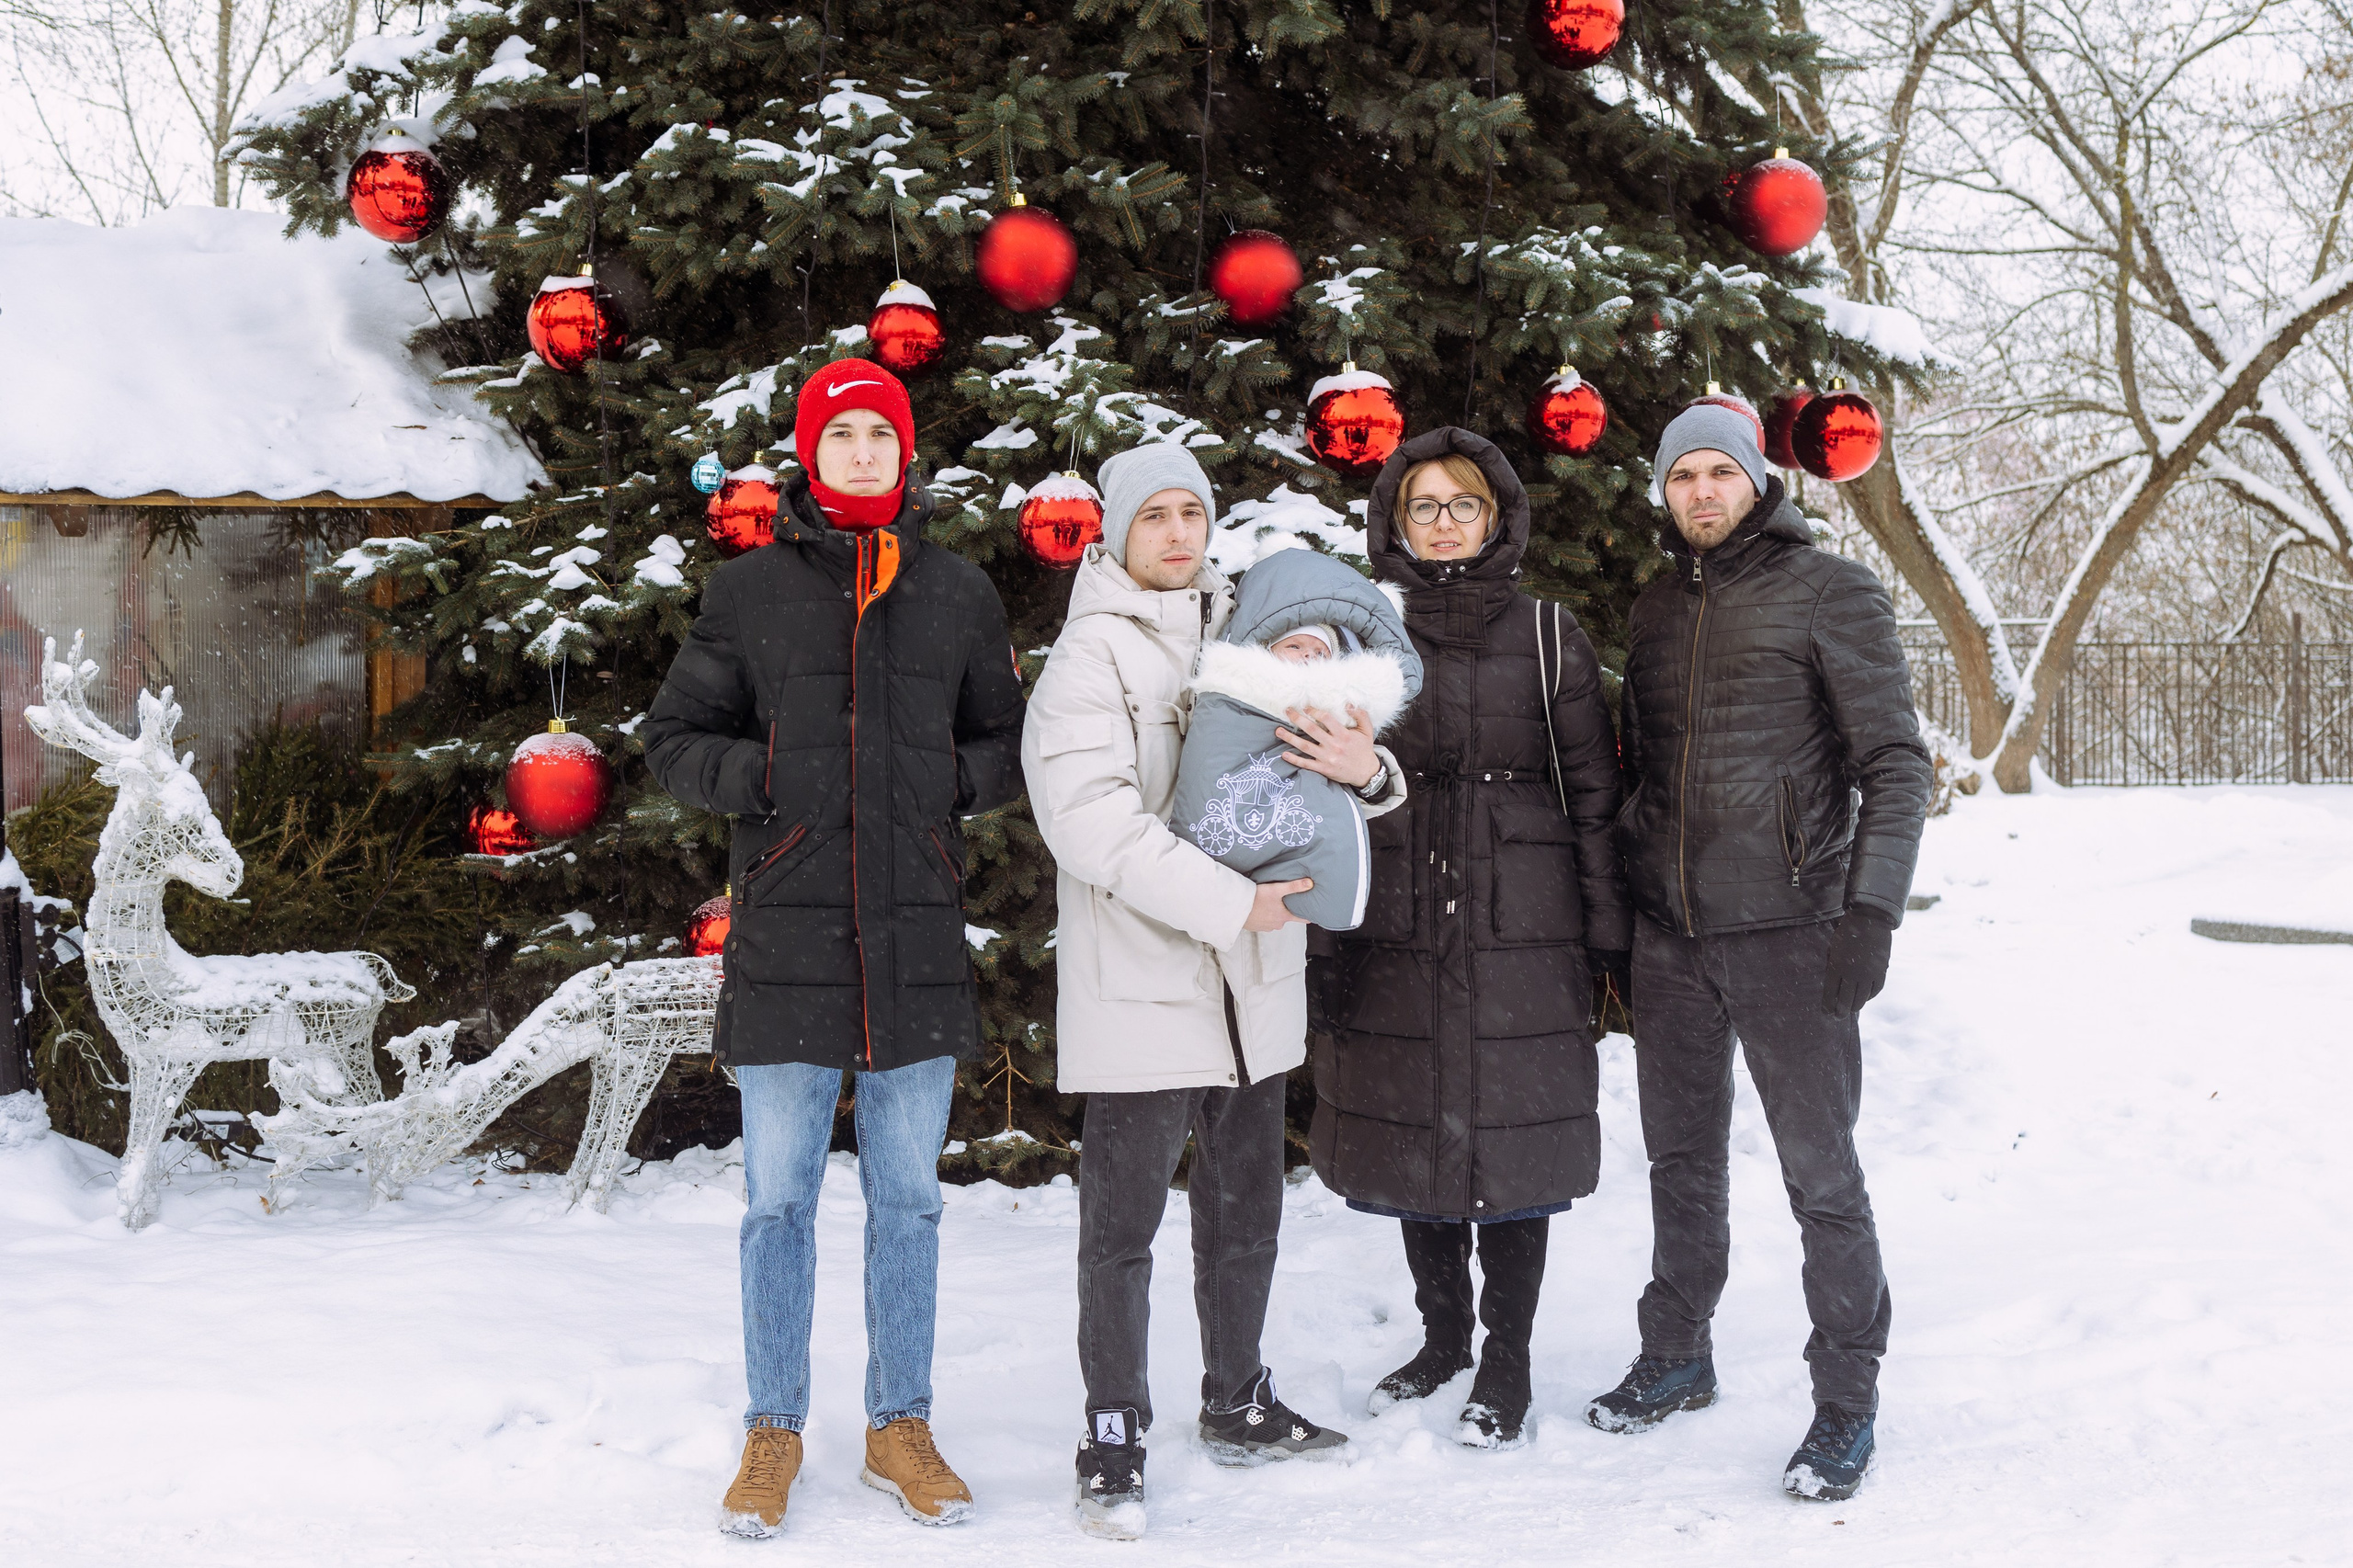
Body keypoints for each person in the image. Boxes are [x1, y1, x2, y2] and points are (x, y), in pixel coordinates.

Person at [642, 357, 1027, 1538]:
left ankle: (897, 1424)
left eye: (880, 434)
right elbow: (670, 737)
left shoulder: (958, 591)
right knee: (777, 1202)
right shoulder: (746, 591)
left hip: (912, 932)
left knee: (908, 1199)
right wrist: (772, 782)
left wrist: (935, 790)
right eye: (841, 434)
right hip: (788, 933)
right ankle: (773, 1428)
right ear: (810, 453)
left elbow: (1008, 742)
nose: (861, 452)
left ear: (905, 454)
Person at [1020, 446, 1374, 1541]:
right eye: (1155, 516)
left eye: (1192, 513)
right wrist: (1234, 904)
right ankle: (1113, 1426)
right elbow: (1092, 824)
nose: (1177, 533)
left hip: (1253, 984)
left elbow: (1316, 762)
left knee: (1244, 1212)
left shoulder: (1245, 639)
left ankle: (1237, 1396)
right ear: (1115, 533)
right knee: (1121, 1227)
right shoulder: (1089, 659)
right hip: (1146, 980)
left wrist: (1369, 770)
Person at [1585, 403, 1931, 1503]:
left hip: (1795, 933)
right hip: (1672, 941)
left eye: (1715, 473)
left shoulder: (1829, 590)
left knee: (1821, 1177)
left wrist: (1867, 911)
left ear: (1754, 481)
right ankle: (1678, 1350)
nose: (1699, 491)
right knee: (1678, 1162)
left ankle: (1844, 1401)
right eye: (1679, 475)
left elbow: (1896, 763)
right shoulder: (1649, 607)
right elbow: (1640, 771)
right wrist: (1624, 910)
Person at [1306, 427, 1632, 1450]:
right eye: (1423, 506)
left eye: (1463, 506)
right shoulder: (1359, 633)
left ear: (1497, 518)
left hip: (1521, 919)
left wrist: (1603, 938)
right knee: (1413, 1124)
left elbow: (1592, 792)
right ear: (1393, 522)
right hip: (1394, 909)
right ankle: (1443, 1333)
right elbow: (1314, 780)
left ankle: (1508, 1355)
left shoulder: (1547, 634)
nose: (1443, 523)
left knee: (1512, 1137)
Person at [1171, 539, 1419, 931]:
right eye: (1295, 645)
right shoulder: (1232, 692)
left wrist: (1370, 776)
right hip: (1188, 897)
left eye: (1320, 652)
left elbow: (1347, 794)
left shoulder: (1339, 711)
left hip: (1273, 948)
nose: (1307, 656)